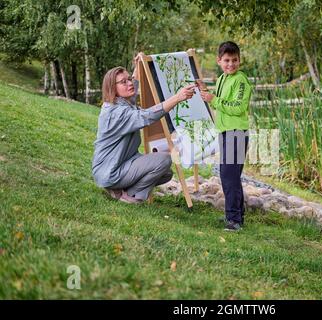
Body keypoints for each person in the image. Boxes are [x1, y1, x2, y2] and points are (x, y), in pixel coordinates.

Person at [92, 53, 196, 204]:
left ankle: (121, 190)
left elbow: (132, 93)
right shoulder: (116, 113)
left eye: (129, 79)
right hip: (110, 170)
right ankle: (133, 196)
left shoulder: (122, 102)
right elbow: (146, 116)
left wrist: (137, 68)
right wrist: (178, 97)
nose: (129, 83)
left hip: (123, 163)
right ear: (112, 88)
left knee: (166, 174)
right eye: (123, 82)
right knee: (164, 160)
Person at [199, 41, 252, 231]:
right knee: (231, 176)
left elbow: (238, 107)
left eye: (235, 60)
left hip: (236, 133)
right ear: (219, 61)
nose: (231, 64)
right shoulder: (222, 79)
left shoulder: (241, 80)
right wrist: (207, 93)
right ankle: (238, 215)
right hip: (225, 132)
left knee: (228, 176)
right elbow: (220, 102)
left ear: (239, 60)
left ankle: (234, 220)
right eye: (227, 60)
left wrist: (214, 100)